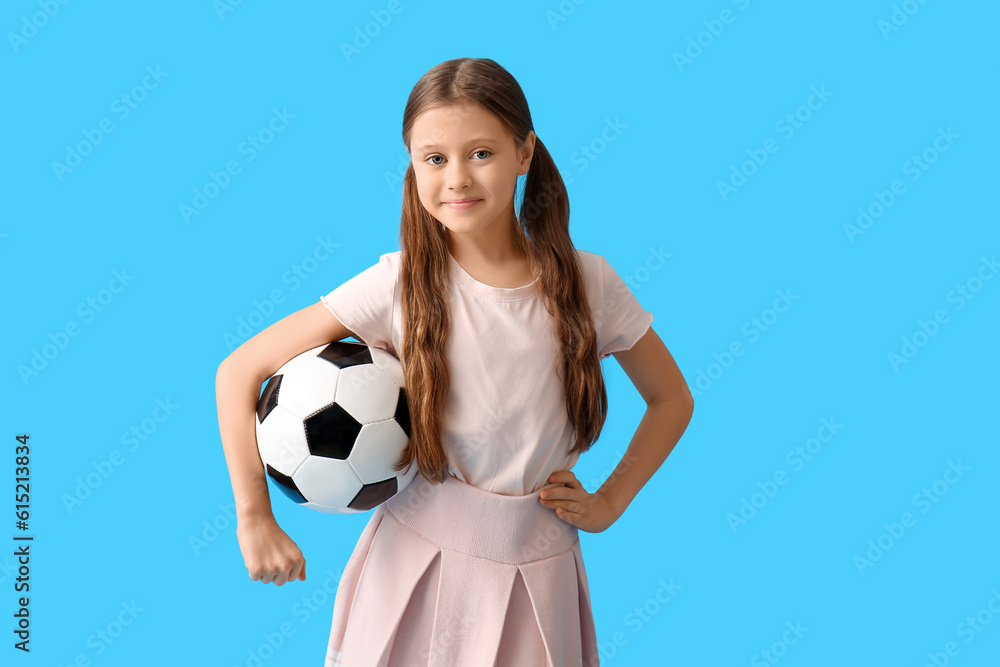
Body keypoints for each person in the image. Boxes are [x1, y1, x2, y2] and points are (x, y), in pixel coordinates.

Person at [215, 57, 694, 666]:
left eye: (482, 154)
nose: (457, 178)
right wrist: (254, 517)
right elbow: (238, 372)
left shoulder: (589, 283)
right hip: (414, 569)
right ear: (412, 166)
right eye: (434, 159)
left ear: (525, 153)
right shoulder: (397, 286)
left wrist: (609, 503)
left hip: (539, 572)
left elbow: (672, 400)